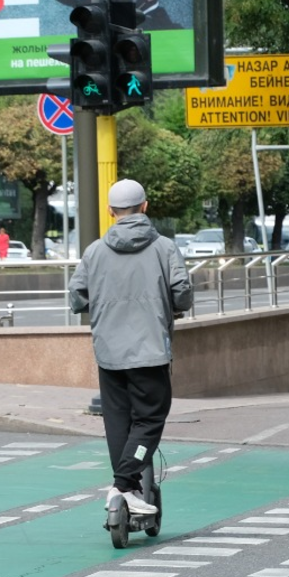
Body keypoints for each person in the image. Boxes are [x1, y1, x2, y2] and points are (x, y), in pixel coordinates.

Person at [68, 178, 193, 514]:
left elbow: (76, 296)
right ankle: (123, 485)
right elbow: (182, 291)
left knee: (118, 421)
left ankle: (128, 486)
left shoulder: (94, 251)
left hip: (109, 352)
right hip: (150, 349)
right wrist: (174, 306)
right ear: (145, 207)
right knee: (151, 417)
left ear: (111, 212)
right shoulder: (164, 248)